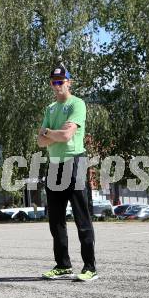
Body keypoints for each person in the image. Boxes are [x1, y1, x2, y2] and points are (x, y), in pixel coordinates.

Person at [38, 65, 98, 282]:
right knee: (56, 220)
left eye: (61, 81)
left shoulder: (77, 104)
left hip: (75, 162)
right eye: (54, 81)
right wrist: (53, 134)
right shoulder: (50, 109)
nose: (57, 85)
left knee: (82, 217)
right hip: (54, 166)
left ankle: (90, 267)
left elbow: (65, 136)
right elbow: (40, 140)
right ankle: (63, 265)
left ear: (69, 82)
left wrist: (49, 133)